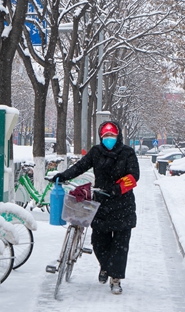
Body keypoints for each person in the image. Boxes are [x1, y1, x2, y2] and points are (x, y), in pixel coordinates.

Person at [50, 121, 139, 295]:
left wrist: (116, 189)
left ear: (118, 136)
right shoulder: (96, 152)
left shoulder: (127, 153)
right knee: (99, 242)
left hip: (123, 205)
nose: (109, 139)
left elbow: (134, 175)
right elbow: (80, 166)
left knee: (120, 245)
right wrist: (62, 175)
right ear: (101, 137)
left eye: (112, 136)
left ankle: (115, 279)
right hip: (101, 205)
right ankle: (105, 267)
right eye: (106, 136)